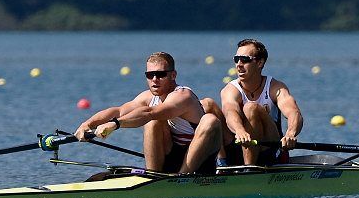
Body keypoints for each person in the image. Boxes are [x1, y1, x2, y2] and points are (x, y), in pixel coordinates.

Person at [74, 52, 222, 174]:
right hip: (172, 157)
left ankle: (182, 178)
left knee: (210, 120)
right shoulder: (148, 97)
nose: (155, 79)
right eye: (150, 75)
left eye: (160, 74)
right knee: (153, 123)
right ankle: (154, 175)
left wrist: (115, 124)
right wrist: (87, 124)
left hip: (202, 162)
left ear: (173, 75)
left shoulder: (183, 96)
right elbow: (118, 111)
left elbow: (150, 112)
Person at [218, 38, 304, 166]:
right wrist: (239, 130)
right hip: (241, 146)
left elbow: (294, 113)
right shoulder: (230, 89)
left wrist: (290, 133)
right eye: (236, 59)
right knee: (208, 105)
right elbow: (230, 111)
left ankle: (249, 169)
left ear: (259, 63)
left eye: (245, 60)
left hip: (270, 149)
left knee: (251, 108)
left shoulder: (276, 87)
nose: (239, 64)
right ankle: (222, 163)